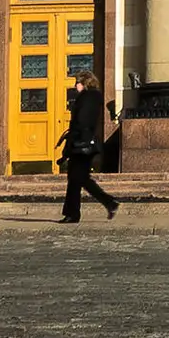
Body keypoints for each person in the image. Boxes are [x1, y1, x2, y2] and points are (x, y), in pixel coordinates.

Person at [57, 65, 121, 225]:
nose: (74, 86)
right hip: (84, 143)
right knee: (80, 179)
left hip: (82, 145)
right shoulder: (92, 98)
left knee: (76, 179)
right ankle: (108, 203)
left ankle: (73, 214)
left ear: (84, 83)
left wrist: (73, 141)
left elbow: (82, 121)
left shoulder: (87, 98)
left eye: (77, 82)